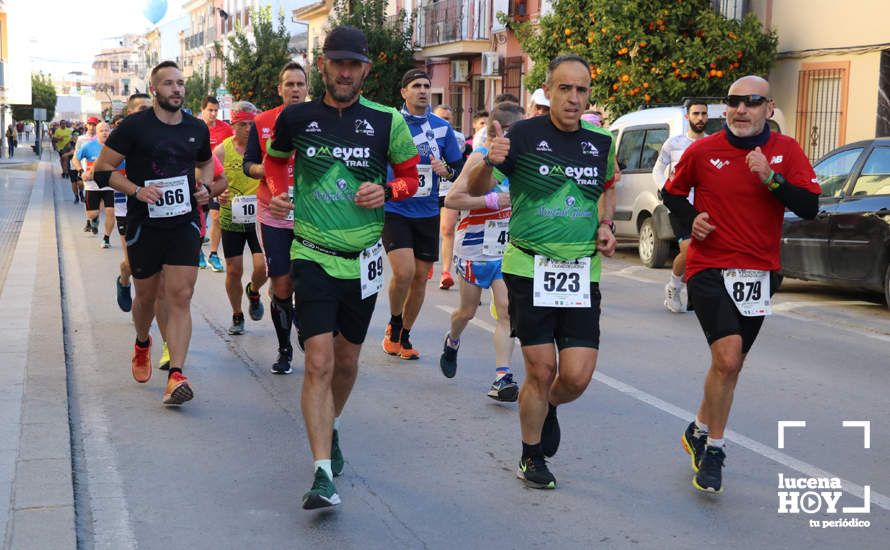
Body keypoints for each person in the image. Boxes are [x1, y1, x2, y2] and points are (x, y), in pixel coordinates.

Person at [264, 25, 419, 509]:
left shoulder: (386, 120)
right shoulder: (296, 118)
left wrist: (388, 191)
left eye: (355, 64)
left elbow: (412, 179)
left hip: (365, 261)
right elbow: (273, 165)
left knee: (347, 361)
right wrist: (277, 194)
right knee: (319, 360)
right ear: (323, 66)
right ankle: (322, 472)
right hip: (311, 253)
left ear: (366, 70)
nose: (346, 71)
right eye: (338, 63)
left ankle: (330, 424)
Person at [465, 55, 617, 490]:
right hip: (530, 266)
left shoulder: (601, 141)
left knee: (576, 376)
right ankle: (531, 456)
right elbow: (475, 190)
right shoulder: (522, 136)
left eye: (581, 90)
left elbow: (607, 187)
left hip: (581, 272)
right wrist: (488, 162)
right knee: (540, 367)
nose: (573, 98)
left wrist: (606, 225)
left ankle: (547, 406)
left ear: (589, 94)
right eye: (564, 89)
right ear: (547, 91)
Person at [663, 76, 820, 494]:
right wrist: (688, 219)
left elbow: (809, 207)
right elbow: (671, 193)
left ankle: (698, 429)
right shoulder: (702, 150)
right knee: (728, 357)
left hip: (759, 272)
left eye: (751, 102)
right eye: (733, 102)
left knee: (729, 364)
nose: (741, 110)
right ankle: (714, 450)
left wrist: (771, 178)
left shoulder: (786, 152)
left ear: (769, 108)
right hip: (708, 266)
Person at [94, 61, 223, 406]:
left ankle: (176, 374)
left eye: (180, 83)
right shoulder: (134, 127)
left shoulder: (196, 128)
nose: (177, 89)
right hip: (143, 224)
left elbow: (205, 162)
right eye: (169, 84)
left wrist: (205, 186)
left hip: (183, 222)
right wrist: (136, 190)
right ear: (154, 89)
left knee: (180, 296)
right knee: (147, 298)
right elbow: (102, 170)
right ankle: (142, 341)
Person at [440, 101, 524, 401]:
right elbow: (452, 199)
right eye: (520, 131)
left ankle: (502, 376)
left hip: (505, 249)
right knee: (466, 311)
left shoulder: (520, 159)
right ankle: (452, 340)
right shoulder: (481, 157)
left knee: (506, 310)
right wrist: (490, 203)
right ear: (501, 131)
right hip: (474, 248)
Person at [381, 68, 464, 359]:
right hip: (395, 208)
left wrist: (447, 170)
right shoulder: (391, 123)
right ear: (404, 92)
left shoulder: (442, 128)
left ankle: (404, 335)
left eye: (427, 86)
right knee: (403, 272)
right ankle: (393, 323)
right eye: (416, 85)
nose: (423, 90)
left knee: (419, 277)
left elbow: (458, 168)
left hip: (427, 210)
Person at [242, 60, 308, 374]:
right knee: (282, 285)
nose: (295, 89)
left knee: (309, 282)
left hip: (314, 216)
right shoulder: (262, 122)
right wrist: (268, 172)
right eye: (289, 84)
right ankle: (284, 350)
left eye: (300, 84)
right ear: (280, 89)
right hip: (275, 215)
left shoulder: (323, 121)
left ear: (308, 89)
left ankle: (307, 328)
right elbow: (249, 164)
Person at [214, 101, 266, 335]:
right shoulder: (222, 151)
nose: (248, 128)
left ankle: (253, 292)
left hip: (259, 218)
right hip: (231, 218)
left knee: (263, 267)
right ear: (233, 124)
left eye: (251, 124)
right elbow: (208, 179)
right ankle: (237, 314)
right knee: (234, 270)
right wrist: (218, 193)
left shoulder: (263, 149)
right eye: (242, 124)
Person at [653, 99, 709, 313]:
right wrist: (666, 190)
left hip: (704, 207)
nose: (700, 118)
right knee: (689, 249)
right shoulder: (673, 143)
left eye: (704, 114)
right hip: (678, 206)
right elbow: (657, 170)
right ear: (688, 117)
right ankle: (674, 288)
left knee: (703, 254)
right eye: (696, 113)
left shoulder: (712, 144)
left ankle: (697, 295)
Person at [114, 93, 154, 312]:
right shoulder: (122, 138)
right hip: (128, 207)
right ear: (130, 113)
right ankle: (123, 280)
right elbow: (104, 169)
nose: (147, 113)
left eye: (150, 108)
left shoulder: (162, 132)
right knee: (132, 264)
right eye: (141, 109)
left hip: (161, 209)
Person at [431, 103, 465, 290]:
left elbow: (463, 166)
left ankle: (446, 272)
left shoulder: (457, 138)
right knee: (429, 228)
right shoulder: (423, 135)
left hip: (449, 188)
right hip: (427, 190)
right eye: (441, 118)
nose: (445, 122)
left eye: (448, 119)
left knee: (447, 228)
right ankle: (426, 262)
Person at [200, 96, 234, 273]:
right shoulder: (195, 127)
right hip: (198, 179)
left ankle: (213, 254)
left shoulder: (225, 128)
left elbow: (232, 149)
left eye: (216, 110)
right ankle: (198, 249)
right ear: (202, 110)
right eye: (210, 110)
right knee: (199, 216)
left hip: (218, 179)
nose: (213, 114)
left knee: (215, 217)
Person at [75, 122, 116, 247]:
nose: (104, 133)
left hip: (110, 184)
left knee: (111, 212)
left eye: (106, 130)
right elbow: (75, 159)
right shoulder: (88, 146)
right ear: (97, 133)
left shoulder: (115, 147)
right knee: (92, 213)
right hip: (92, 185)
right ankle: (94, 219)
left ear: (110, 131)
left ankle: (106, 239)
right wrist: (81, 171)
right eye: (101, 131)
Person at [72, 116, 99, 225]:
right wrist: (78, 169)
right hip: (85, 170)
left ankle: (94, 216)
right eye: (90, 124)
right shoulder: (81, 139)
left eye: (94, 125)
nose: (92, 127)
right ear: (86, 125)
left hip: (98, 171)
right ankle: (89, 219)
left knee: (98, 195)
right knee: (88, 195)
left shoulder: (100, 138)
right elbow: (76, 154)